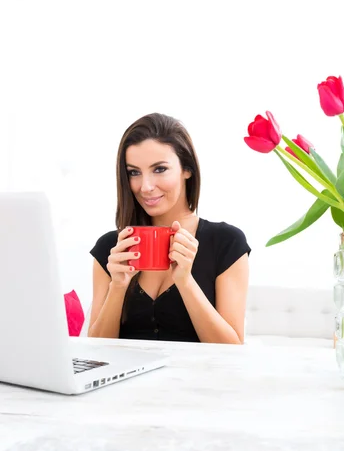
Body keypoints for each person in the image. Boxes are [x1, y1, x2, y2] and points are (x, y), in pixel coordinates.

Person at [88, 113, 251, 344]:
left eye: (159, 169)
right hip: (127, 380)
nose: (145, 187)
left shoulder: (226, 243)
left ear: (187, 169)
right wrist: (118, 287)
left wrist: (185, 281)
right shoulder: (110, 248)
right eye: (134, 172)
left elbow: (232, 348)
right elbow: (95, 349)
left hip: (199, 379)